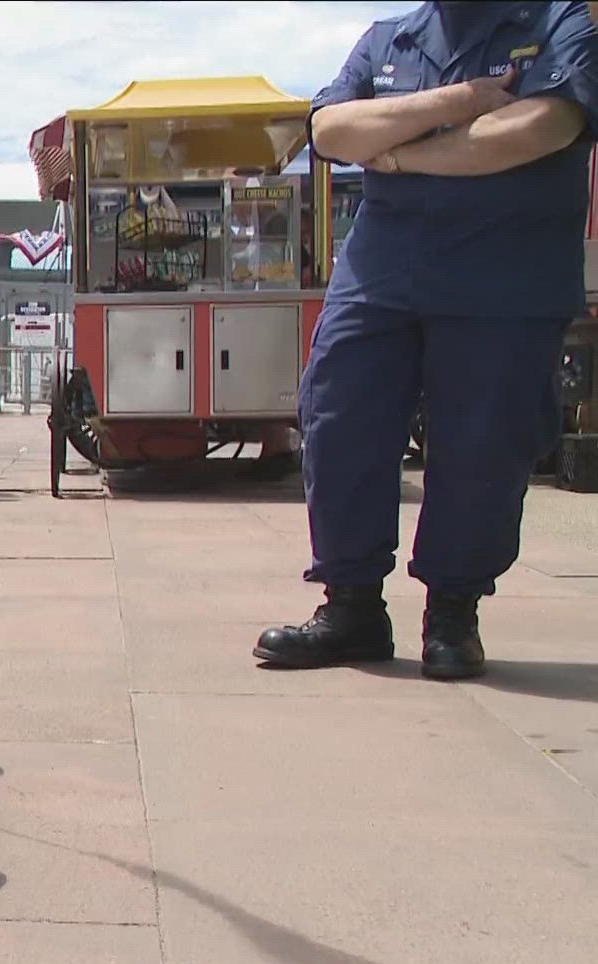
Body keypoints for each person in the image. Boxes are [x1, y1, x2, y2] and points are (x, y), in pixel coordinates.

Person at [255, 1, 597, 680]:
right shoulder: (390, 37)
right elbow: (331, 129)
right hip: (382, 271)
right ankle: (351, 607)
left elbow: (540, 125)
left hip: (505, 275)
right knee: (338, 418)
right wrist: (460, 101)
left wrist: (400, 156)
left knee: (482, 445)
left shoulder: (559, 22)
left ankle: (453, 612)